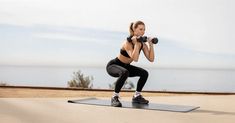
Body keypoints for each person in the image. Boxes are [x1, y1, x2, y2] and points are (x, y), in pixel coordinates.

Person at [106, 20, 155, 107]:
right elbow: (135, 58)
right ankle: (114, 97)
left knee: (144, 73)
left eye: (144, 29)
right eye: (140, 29)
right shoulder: (127, 43)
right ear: (134, 30)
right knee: (125, 72)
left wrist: (151, 45)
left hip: (126, 67)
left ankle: (137, 96)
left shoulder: (143, 45)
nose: (143, 32)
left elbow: (151, 59)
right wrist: (136, 44)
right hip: (114, 65)